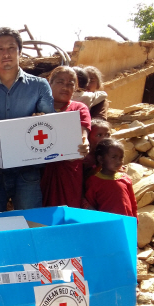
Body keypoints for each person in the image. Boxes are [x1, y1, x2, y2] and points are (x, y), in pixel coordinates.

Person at [0, 27, 55, 213]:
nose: (6, 54)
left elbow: (50, 123)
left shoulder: (39, 86)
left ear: (20, 51)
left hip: (29, 171)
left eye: (11, 48)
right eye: (0, 49)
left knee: (30, 225)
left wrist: (43, 119)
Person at [40, 66, 91, 208]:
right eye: (60, 82)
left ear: (75, 88)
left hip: (69, 172)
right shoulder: (38, 108)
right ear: (50, 84)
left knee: (66, 213)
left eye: (70, 84)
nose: (65, 87)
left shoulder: (79, 108)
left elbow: (83, 135)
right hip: (42, 171)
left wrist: (84, 142)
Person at [85, 138, 138, 218]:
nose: (118, 161)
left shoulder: (125, 178)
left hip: (126, 224)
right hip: (106, 225)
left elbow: (133, 204)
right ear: (101, 159)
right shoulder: (94, 181)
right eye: (114, 157)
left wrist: (135, 222)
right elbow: (91, 205)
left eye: (121, 158)